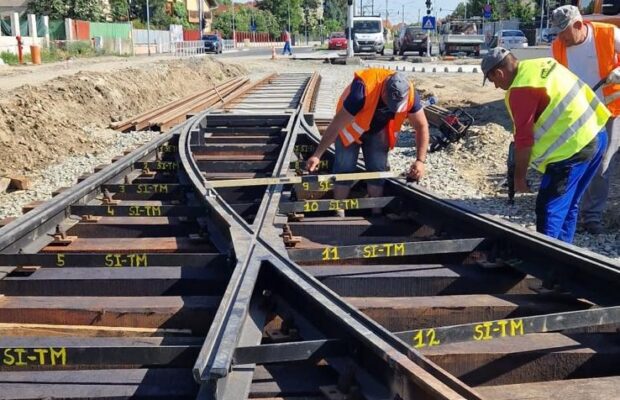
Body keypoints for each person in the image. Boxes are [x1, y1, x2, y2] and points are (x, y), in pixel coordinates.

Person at [482, 48, 610, 243]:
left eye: (493, 81)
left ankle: (548, 264)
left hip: (573, 150)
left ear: (498, 73)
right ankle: (564, 259)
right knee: (568, 206)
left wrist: (519, 179)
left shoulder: (521, 89)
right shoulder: (542, 64)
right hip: (597, 135)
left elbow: (524, 141)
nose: (496, 87)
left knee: (549, 208)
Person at [306, 69, 429, 215]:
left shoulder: (410, 95)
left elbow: (421, 126)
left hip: (378, 130)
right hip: (350, 128)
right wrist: (317, 154)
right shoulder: (362, 90)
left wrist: (420, 161)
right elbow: (336, 125)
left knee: (377, 170)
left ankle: (376, 212)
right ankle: (338, 211)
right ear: (384, 93)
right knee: (344, 168)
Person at [549, 5, 620, 234]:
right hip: (579, 113)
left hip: (609, 111)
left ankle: (592, 218)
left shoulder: (608, 34)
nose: (561, 38)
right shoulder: (558, 47)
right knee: (577, 161)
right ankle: (574, 212)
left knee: (601, 165)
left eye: (564, 32)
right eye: (558, 32)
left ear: (579, 25)